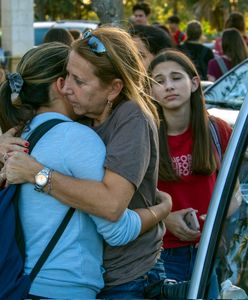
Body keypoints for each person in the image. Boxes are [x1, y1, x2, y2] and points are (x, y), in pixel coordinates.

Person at [3, 27, 172, 299]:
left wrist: (38, 174)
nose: (67, 87)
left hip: (126, 276)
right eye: (66, 75)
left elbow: (111, 207)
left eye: (79, 81)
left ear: (114, 88)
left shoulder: (129, 118)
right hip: (82, 277)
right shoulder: (79, 120)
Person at [148, 49, 232, 282]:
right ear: (151, 91)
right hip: (162, 255)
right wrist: (165, 218)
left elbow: (234, 193)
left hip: (210, 251)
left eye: (176, 78)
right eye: (159, 81)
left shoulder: (217, 130)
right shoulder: (145, 135)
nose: (168, 86)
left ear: (194, 83)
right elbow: (128, 198)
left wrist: (211, 218)